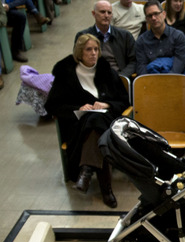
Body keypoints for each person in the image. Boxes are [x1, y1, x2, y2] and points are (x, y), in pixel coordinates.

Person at [44, 33, 129, 208]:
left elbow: (123, 101)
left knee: (98, 122)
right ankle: (106, 190)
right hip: (78, 125)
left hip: (107, 120)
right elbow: (52, 105)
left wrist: (106, 103)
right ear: (79, 52)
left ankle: (86, 171)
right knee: (98, 132)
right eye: (88, 49)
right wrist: (77, 109)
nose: (93, 53)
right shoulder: (66, 74)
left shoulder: (106, 71)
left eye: (96, 49)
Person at [76, 0, 137, 78]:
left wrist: (122, 76)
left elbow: (134, 61)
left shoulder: (125, 36)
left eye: (109, 13)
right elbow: (78, 61)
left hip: (119, 79)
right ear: (94, 14)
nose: (106, 15)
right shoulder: (82, 36)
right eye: (102, 12)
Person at [135, 0, 185, 75]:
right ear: (146, 19)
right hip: (151, 81)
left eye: (156, 14)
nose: (153, 18)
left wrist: (165, 82)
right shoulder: (141, 41)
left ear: (164, 14)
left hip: (175, 80)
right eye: (150, 16)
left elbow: (180, 63)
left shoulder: (178, 36)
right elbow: (141, 66)